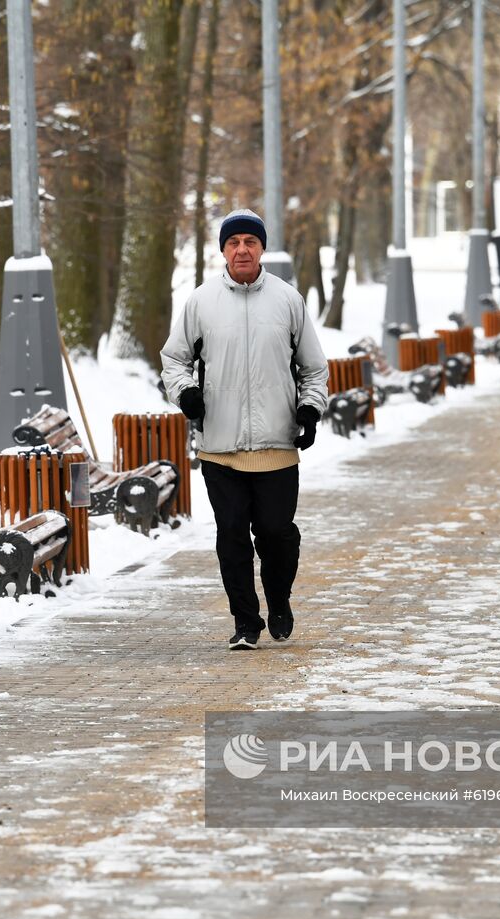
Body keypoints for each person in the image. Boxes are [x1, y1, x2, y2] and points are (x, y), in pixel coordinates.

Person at [160, 208, 329, 650]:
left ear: (262, 249)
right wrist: (186, 394)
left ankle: (279, 601)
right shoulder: (201, 302)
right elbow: (174, 359)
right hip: (220, 447)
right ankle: (245, 622)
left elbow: (314, 368)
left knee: (276, 534)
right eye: (233, 243)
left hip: (277, 446)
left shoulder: (288, 301)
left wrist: (309, 410)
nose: (241, 249)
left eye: (249, 242)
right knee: (231, 536)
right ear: (222, 251)